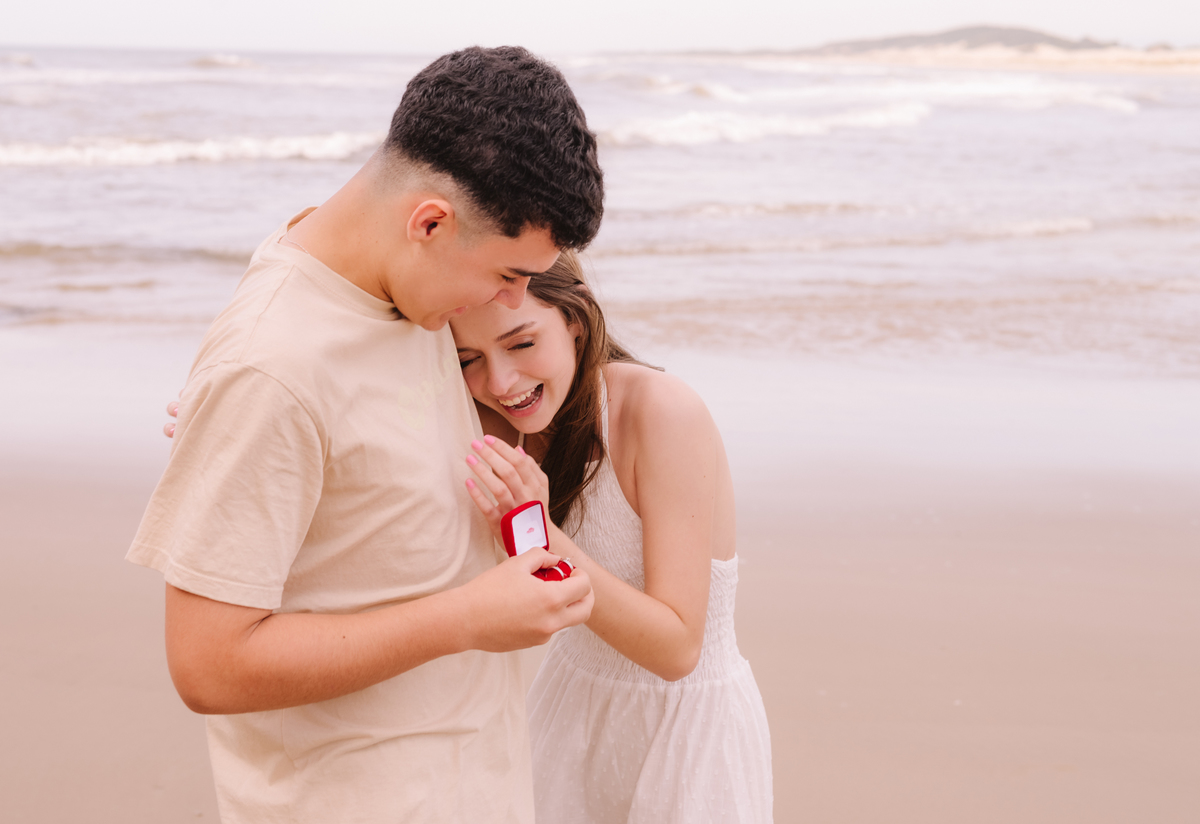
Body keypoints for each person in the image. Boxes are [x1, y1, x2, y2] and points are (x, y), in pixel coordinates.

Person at [130, 47, 602, 824]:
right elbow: (207, 665)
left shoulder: (402, 287)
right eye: (509, 275)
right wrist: (467, 620)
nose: (515, 300)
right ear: (429, 222)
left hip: (478, 781)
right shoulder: (270, 369)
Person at [453, 251, 774, 823]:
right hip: (570, 706)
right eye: (469, 358)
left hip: (686, 730)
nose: (500, 382)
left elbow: (677, 649)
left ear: (575, 318)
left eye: (522, 343)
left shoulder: (659, 411)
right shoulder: (500, 427)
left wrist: (544, 534)